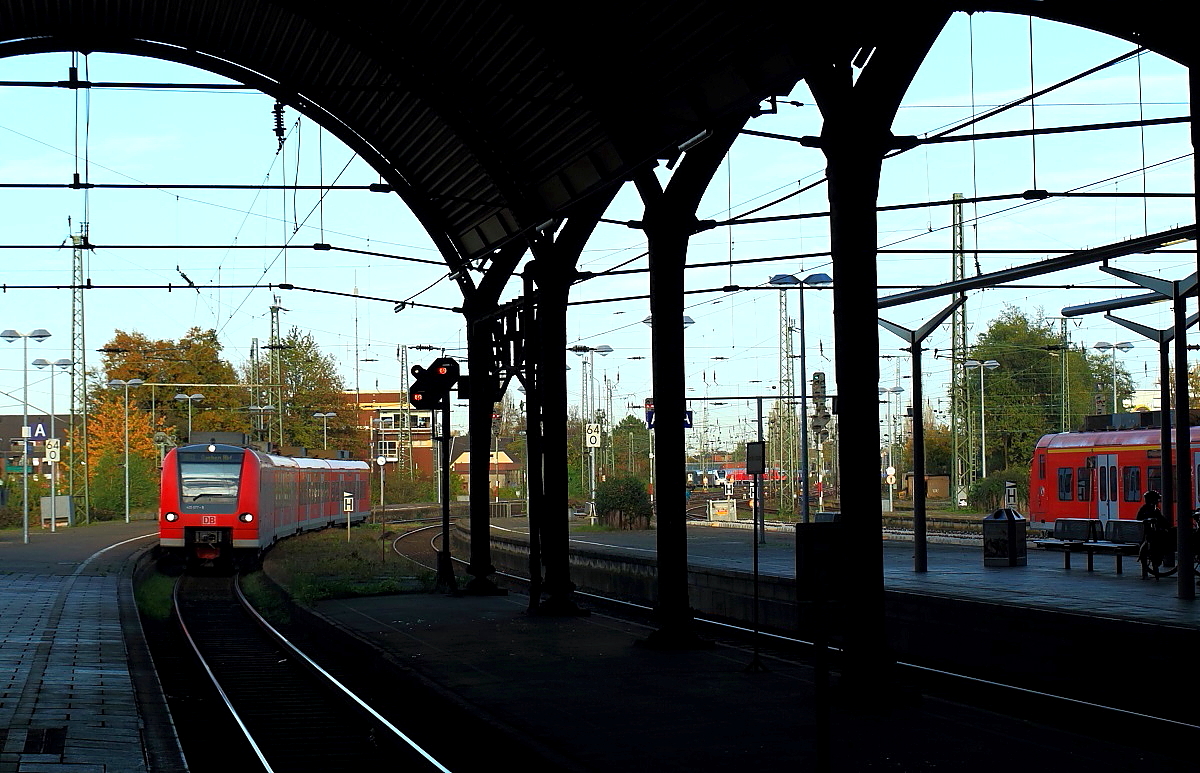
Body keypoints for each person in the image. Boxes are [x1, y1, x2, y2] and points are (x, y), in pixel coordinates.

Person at [1137, 491, 1168, 570]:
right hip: (1150, 536)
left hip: (1143, 536)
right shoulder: (1154, 510)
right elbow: (1163, 521)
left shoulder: (1143, 509)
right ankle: (1157, 562)